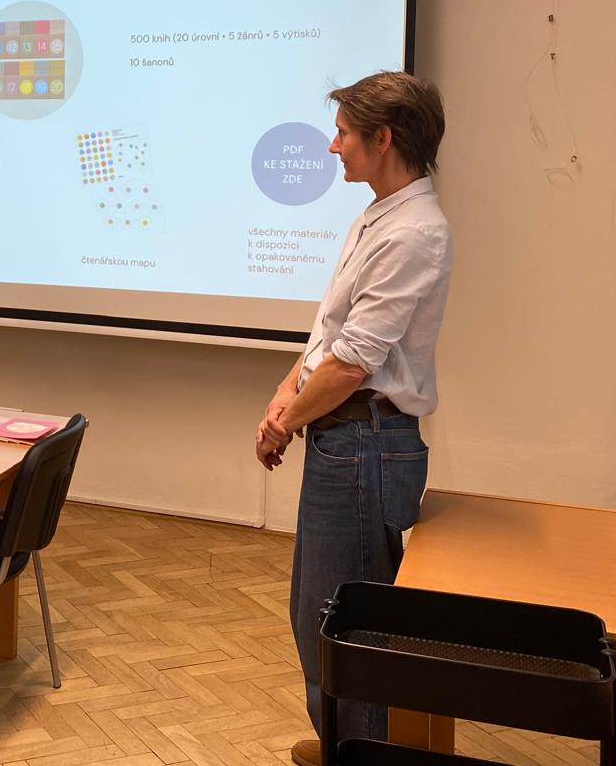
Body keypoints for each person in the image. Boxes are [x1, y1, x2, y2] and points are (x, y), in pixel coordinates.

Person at [253, 71, 453, 766]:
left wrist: (285, 422)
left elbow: (351, 366)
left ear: (383, 138)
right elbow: (328, 336)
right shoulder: (379, 215)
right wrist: (285, 394)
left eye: (343, 133)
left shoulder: (416, 232)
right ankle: (346, 743)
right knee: (319, 614)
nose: (333, 146)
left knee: (348, 623)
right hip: (346, 439)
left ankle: (362, 752)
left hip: (367, 443)